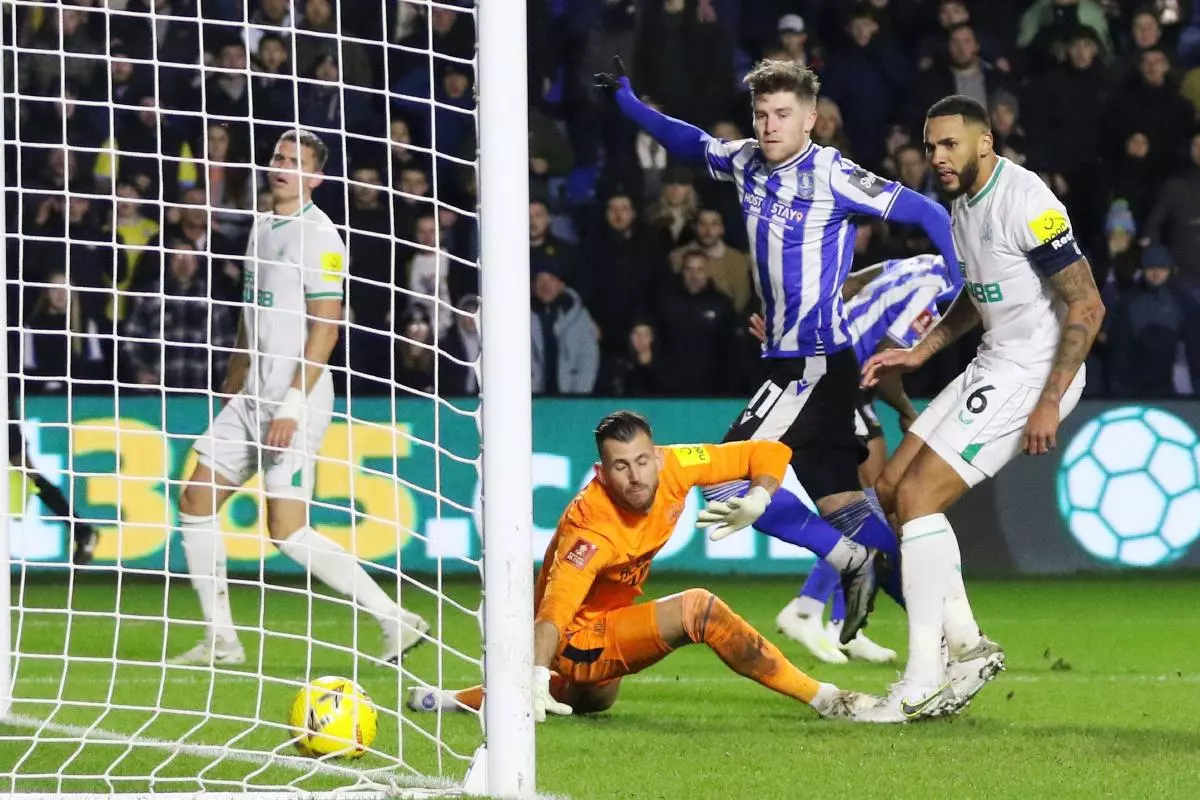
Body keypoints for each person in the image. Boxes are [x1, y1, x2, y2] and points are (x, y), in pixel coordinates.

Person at [594, 57, 961, 642]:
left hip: (811, 363)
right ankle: (952, 630)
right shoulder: (745, 160)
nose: (769, 126)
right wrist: (630, 103)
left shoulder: (832, 173)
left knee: (724, 479)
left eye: (782, 114)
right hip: (803, 360)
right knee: (846, 507)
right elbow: (690, 142)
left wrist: (963, 279)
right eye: (761, 113)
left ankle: (848, 562)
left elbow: (929, 211)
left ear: (810, 120)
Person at [855, 96, 1105, 722]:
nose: (937, 157)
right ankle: (966, 645)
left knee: (919, 498)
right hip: (996, 362)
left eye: (949, 144)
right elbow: (978, 293)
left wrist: (1049, 401)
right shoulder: (961, 203)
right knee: (890, 489)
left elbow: (1088, 304)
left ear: (985, 142)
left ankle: (922, 679)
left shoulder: (1028, 204)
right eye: (930, 146)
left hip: (1034, 374)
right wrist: (921, 350)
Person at [407, 411, 873, 721]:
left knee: (595, 701)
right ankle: (826, 698)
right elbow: (553, 612)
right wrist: (534, 673)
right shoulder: (590, 530)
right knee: (698, 609)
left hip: (609, 626)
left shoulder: (676, 465)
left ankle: (452, 700)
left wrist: (758, 497)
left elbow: (766, 451)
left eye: (643, 461)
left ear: (656, 455)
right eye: (621, 466)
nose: (636, 477)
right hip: (574, 639)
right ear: (601, 471)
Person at [169, 130, 428, 666]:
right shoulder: (263, 224)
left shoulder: (321, 238)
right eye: (278, 156)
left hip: (296, 399)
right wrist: (235, 374)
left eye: (295, 161)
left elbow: (326, 329)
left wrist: (289, 405)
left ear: (316, 177)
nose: (282, 166)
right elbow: (252, 311)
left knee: (286, 532)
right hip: (251, 397)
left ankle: (394, 617)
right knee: (195, 499)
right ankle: (222, 639)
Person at [757, 255, 959, 664]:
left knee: (874, 503)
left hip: (839, 375)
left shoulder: (919, 262)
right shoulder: (938, 289)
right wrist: (910, 411)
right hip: (838, 380)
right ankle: (807, 608)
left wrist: (794, 326)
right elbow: (886, 359)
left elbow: (847, 283)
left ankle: (842, 624)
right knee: (867, 509)